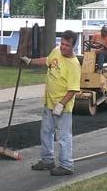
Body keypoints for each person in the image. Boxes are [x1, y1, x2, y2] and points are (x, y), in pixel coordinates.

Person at [20, 30, 81, 176]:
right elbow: (48, 60)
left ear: (73, 46)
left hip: (63, 107)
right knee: (46, 132)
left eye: (67, 45)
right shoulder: (56, 51)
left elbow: (73, 89)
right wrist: (30, 61)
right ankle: (48, 160)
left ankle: (67, 165)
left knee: (63, 136)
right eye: (62, 43)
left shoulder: (74, 65)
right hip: (49, 102)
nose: (63, 47)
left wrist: (61, 104)